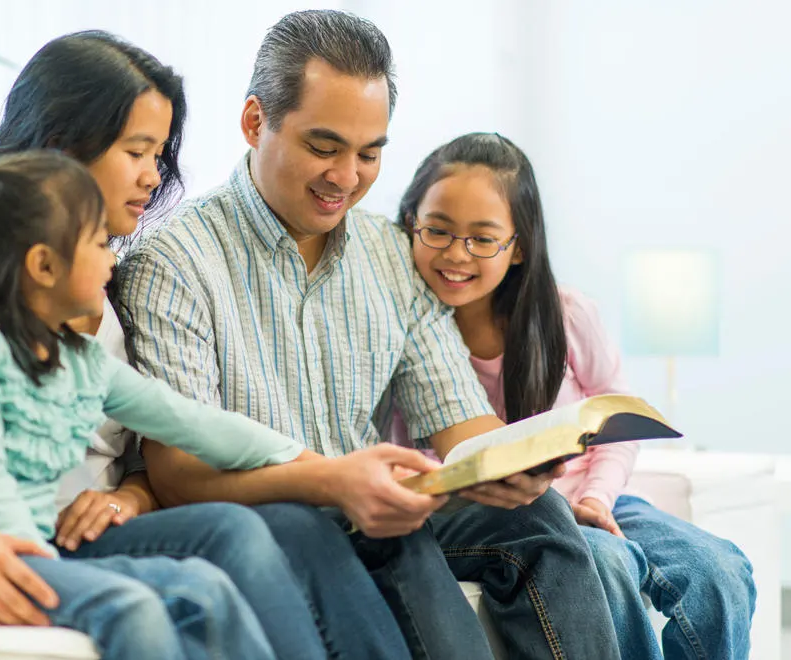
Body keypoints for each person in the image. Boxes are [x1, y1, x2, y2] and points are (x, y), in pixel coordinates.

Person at [0, 31, 381, 660]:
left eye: (159, 153)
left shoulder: (97, 292)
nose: (153, 175)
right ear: (63, 148)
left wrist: (127, 495)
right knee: (235, 548)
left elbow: (158, 431)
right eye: (137, 150)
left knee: (259, 532)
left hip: (80, 534)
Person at [119, 10, 619, 659]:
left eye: (370, 152)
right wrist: (332, 481)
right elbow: (179, 474)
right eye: (323, 147)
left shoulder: (388, 254)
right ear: (253, 122)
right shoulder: (175, 261)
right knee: (340, 533)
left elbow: (459, 422)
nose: (347, 177)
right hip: (276, 516)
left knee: (539, 517)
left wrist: (508, 463)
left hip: (375, 510)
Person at [0, 150, 318, 659]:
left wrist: (302, 460)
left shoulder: (81, 361)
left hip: (36, 553)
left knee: (205, 588)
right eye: (99, 243)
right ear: (44, 265)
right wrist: (37, 564)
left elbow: (191, 422)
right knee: (130, 606)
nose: (113, 258)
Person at [397, 131, 756, 660]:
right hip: (521, 524)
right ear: (410, 224)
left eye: (482, 238)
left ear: (517, 247)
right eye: (438, 231)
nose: (457, 254)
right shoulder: (407, 337)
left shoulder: (564, 315)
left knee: (718, 567)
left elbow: (615, 425)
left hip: (598, 503)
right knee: (606, 567)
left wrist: (596, 498)